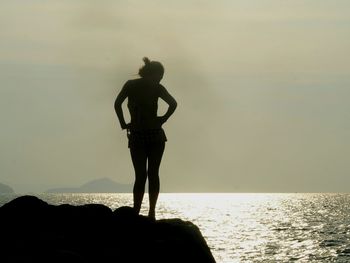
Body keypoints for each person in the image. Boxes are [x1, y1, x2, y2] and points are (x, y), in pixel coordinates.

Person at [114, 57, 177, 220]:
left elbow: (117, 104)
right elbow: (173, 104)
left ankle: (138, 211)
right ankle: (151, 213)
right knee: (152, 174)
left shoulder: (131, 85)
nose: (161, 78)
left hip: (139, 134)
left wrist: (123, 123)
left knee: (141, 175)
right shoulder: (156, 87)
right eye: (160, 75)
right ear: (154, 74)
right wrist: (163, 119)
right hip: (154, 134)